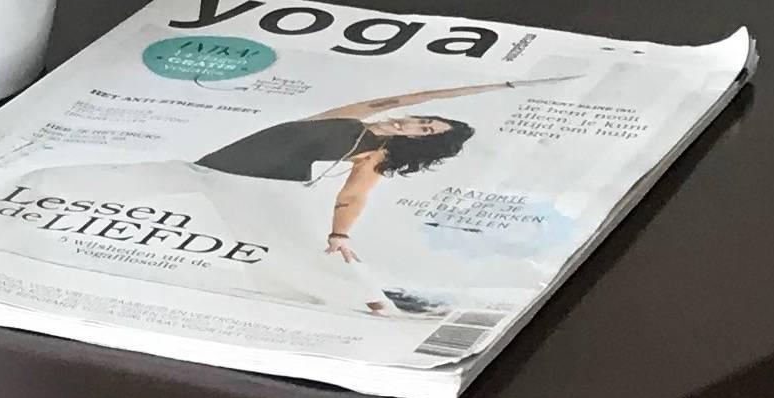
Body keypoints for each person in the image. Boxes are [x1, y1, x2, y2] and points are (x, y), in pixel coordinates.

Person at [205, 79, 543, 262]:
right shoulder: (350, 115)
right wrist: (489, 87)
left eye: (425, 132)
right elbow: (410, 98)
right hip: (213, 164)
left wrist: (339, 234)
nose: (416, 126)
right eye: (424, 121)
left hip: (258, 187)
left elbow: (353, 194)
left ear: (418, 141)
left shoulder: (373, 154)